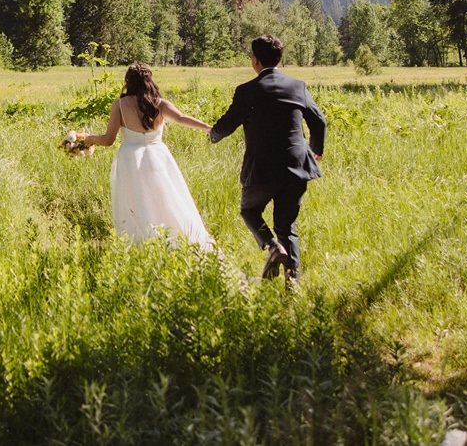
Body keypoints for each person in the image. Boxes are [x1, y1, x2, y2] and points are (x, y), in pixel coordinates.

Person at [209, 34, 326, 284]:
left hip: (262, 170)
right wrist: (317, 149)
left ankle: (272, 247)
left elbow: (227, 124)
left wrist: (213, 134)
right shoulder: (297, 87)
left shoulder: (248, 91)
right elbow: (319, 121)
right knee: (287, 227)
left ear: (255, 60)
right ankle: (292, 285)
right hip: (296, 167)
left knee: (249, 210)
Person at [79, 63, 215, 247]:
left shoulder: (119, 105)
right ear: (149, 80)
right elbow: (182, 118)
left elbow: (108, 139)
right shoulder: (160, 103)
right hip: (158, 155)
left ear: (128, 81)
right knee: (165, 198)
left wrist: (90, 139)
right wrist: (208, 128)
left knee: (136, 201)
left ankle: (141, 243)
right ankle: (174, 239)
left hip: (130, 158)